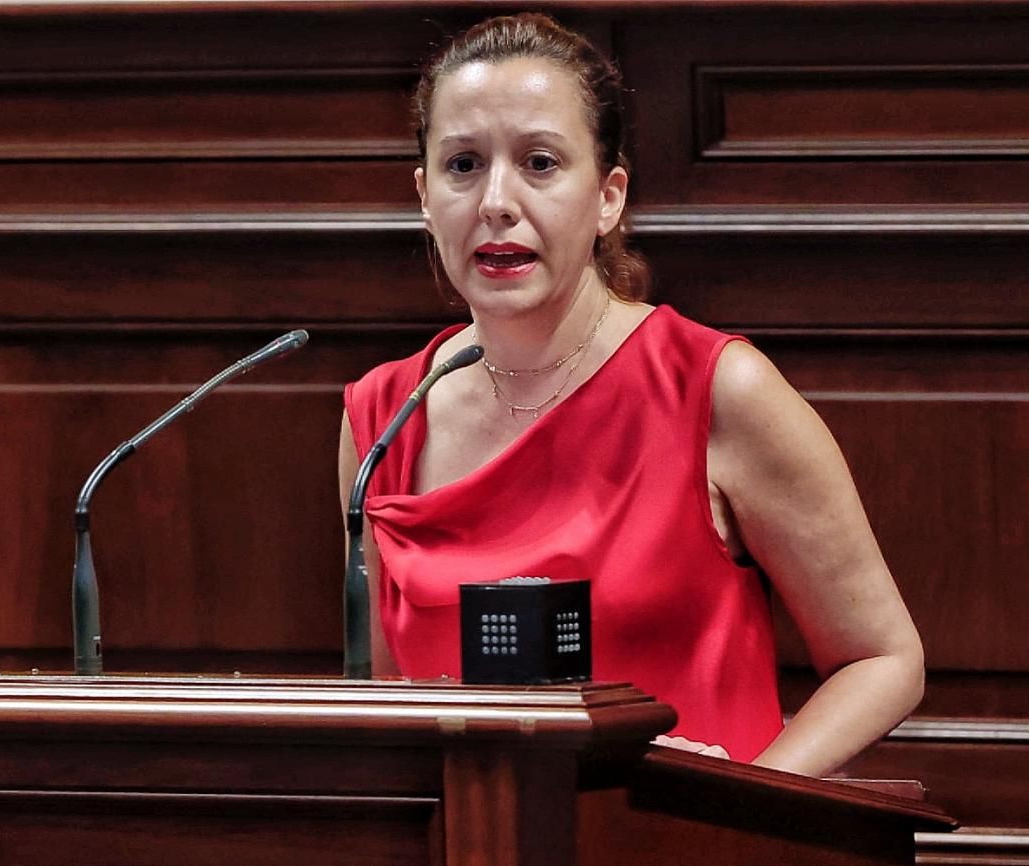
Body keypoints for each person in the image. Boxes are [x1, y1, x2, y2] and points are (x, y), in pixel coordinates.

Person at [338, 12, 923, 777]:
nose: (495, 201)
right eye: (463, 165)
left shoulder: (714, 388)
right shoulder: (382, 419)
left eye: (541, 163)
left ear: (609, 195)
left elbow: (882, 658)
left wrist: (736, 800)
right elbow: (389, 703)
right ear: (424, 194)